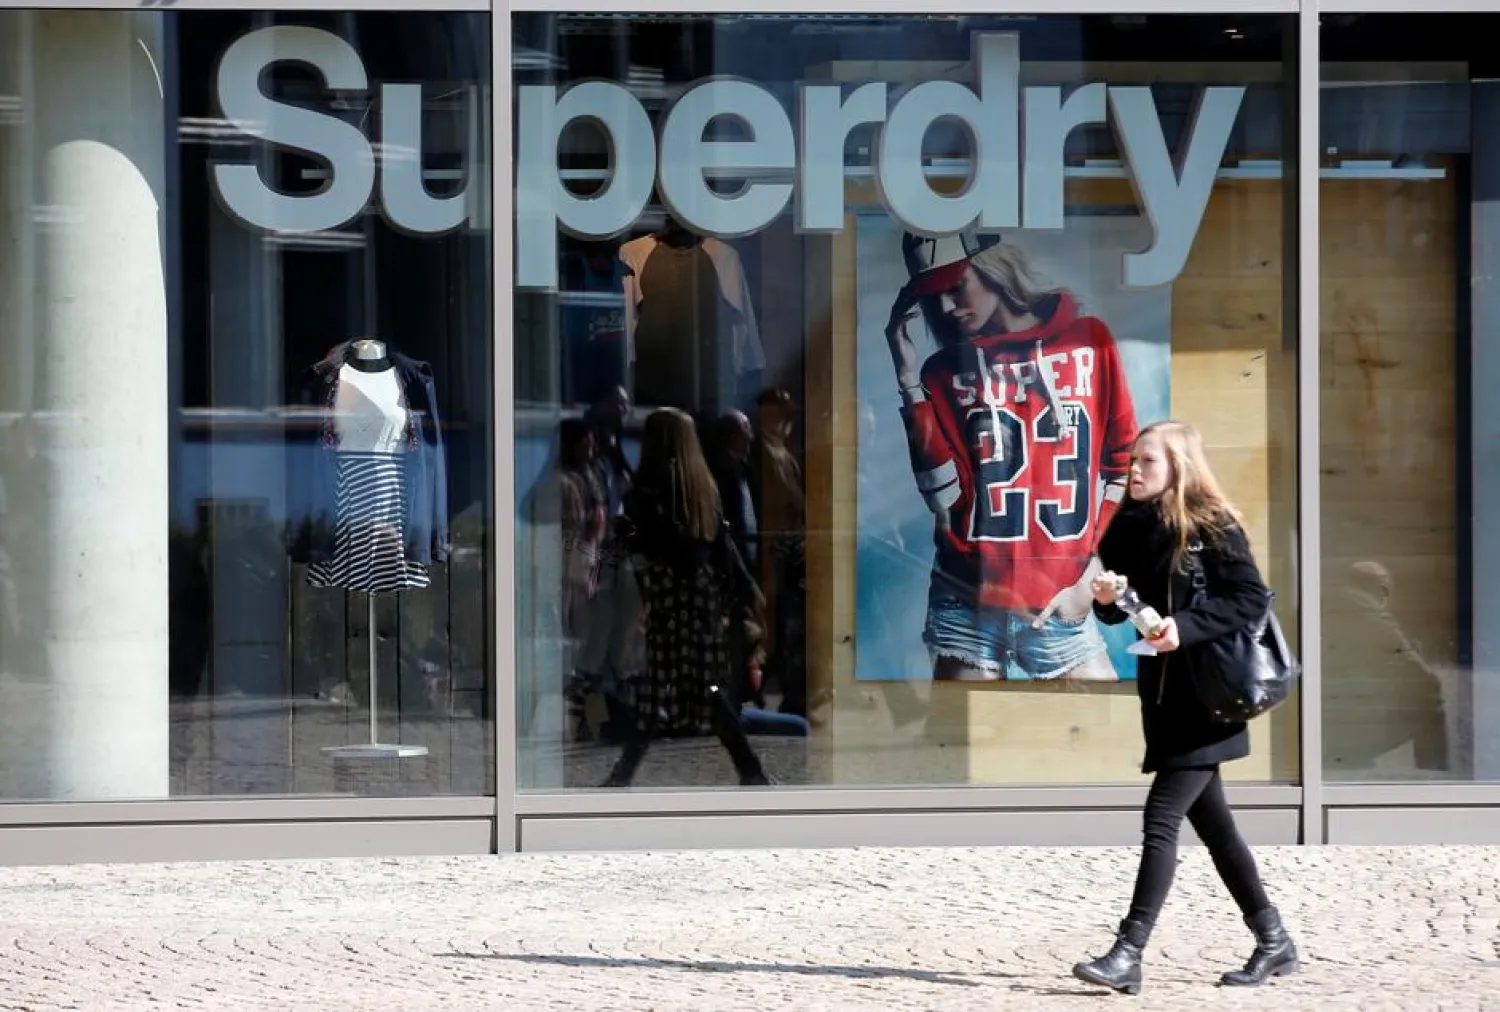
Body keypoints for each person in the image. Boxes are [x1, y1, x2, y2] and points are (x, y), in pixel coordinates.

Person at [1072, 420, 1298, 995]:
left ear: (1178, 466)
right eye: (1133, 461)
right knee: (1216, 827)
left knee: (1162, 817)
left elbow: (1250, 598)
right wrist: (1107, 600)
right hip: (1164, 694)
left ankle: (1128, 952)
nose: (1135, 470)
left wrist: (1186, 628)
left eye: (1148, 461)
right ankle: (1274, 940)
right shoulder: (1124, 526)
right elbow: (1125, 609)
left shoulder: (1210, 525)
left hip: (1209, 694)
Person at [884, 231, 1138, 682]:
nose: (944, 308)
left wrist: (1090, 572)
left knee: (1096, 739)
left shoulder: (1088, 342)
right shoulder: (941, 373)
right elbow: (944, 498)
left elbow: (1123, 466)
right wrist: (908, 382)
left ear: (991, 269)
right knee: (958, 746)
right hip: (965, 598)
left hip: (1059, 600)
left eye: (955, 286)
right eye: (931, 297)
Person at [601, 407, 771, 788]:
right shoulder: (701, 485)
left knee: (659, 683)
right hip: (700, 596)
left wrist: (625, 533)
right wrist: (746, 589)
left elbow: (644, 544)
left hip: (669, 594)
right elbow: (721, 546)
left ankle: (625, 774)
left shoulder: (650, 488)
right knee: (704, 684)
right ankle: (748, 767)